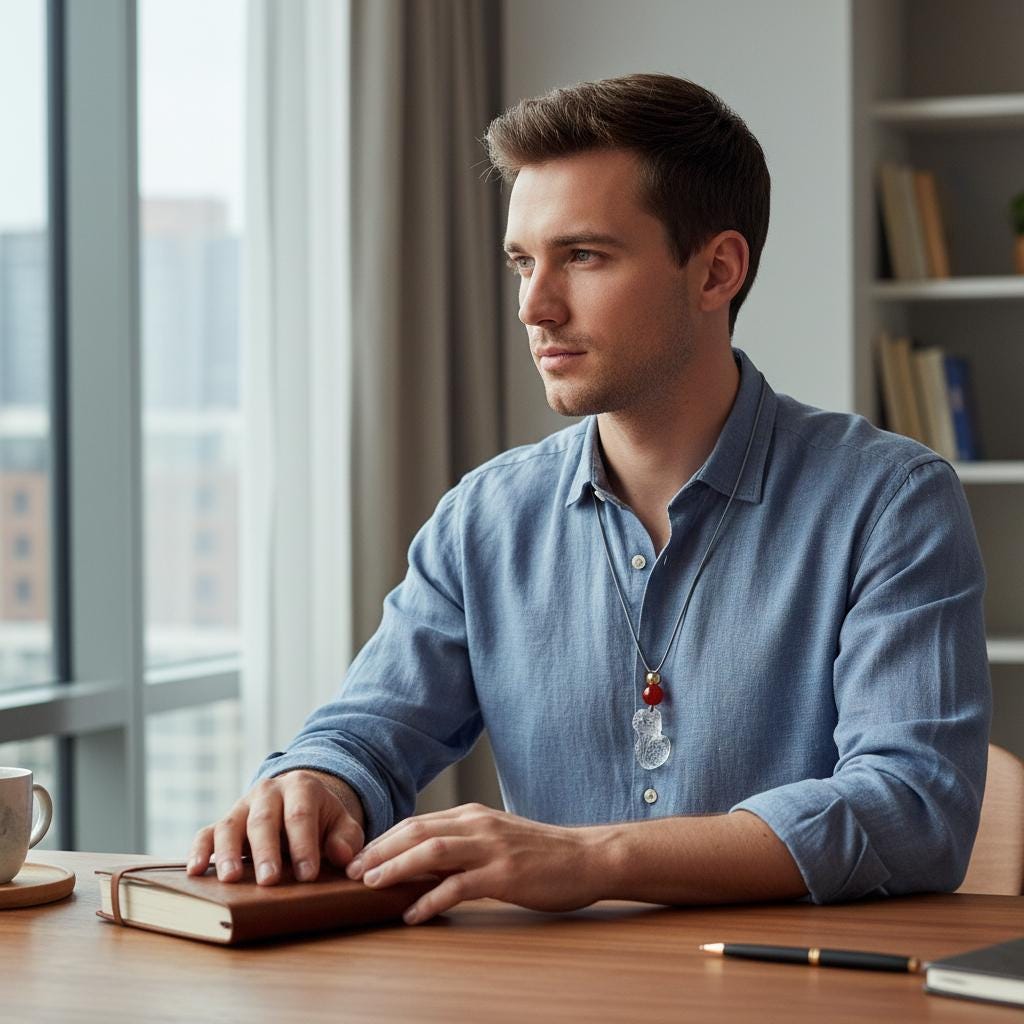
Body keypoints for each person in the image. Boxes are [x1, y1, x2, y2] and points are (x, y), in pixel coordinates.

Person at [188, 73, 991, 926]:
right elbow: (364, 735)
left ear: (716, 270)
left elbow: (913, 809)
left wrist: (592, 858)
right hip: (552, 996)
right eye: (523, 262)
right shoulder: (484, 519)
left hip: (791, 998)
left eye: (583, 256)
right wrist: (314, 782)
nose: (535, 305)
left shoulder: (890, 502)